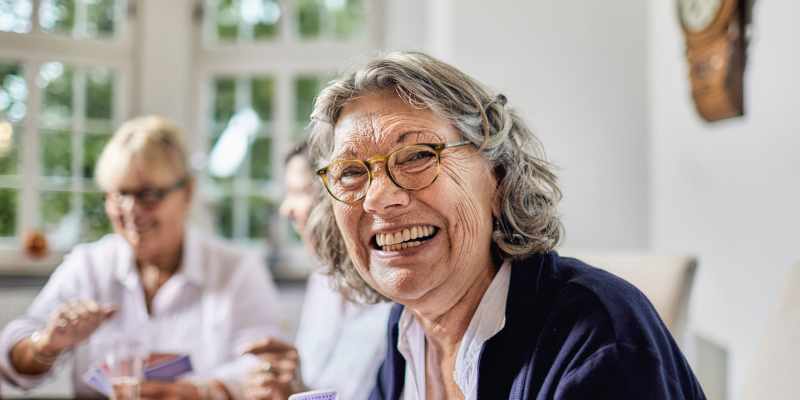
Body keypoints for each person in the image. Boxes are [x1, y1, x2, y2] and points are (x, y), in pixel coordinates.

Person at [302, 51, 707, 399]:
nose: (378, 197)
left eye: (416, 156)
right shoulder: (406, 330)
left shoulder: (599, 340)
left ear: (497, 175)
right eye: (351, 172)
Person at [0, 116, 283, 399]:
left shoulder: (236, 269)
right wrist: (46, 344)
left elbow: (267, 365)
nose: (131, 210)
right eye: (120, 194)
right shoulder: (89, 265)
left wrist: (201, 392)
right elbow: (11, 360)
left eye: (148, 194)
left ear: (187, 192)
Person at [242, 143, 392, 400]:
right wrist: (289, 387)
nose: (286, 209)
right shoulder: (323, 280)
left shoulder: (397, 296)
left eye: (299, 191)